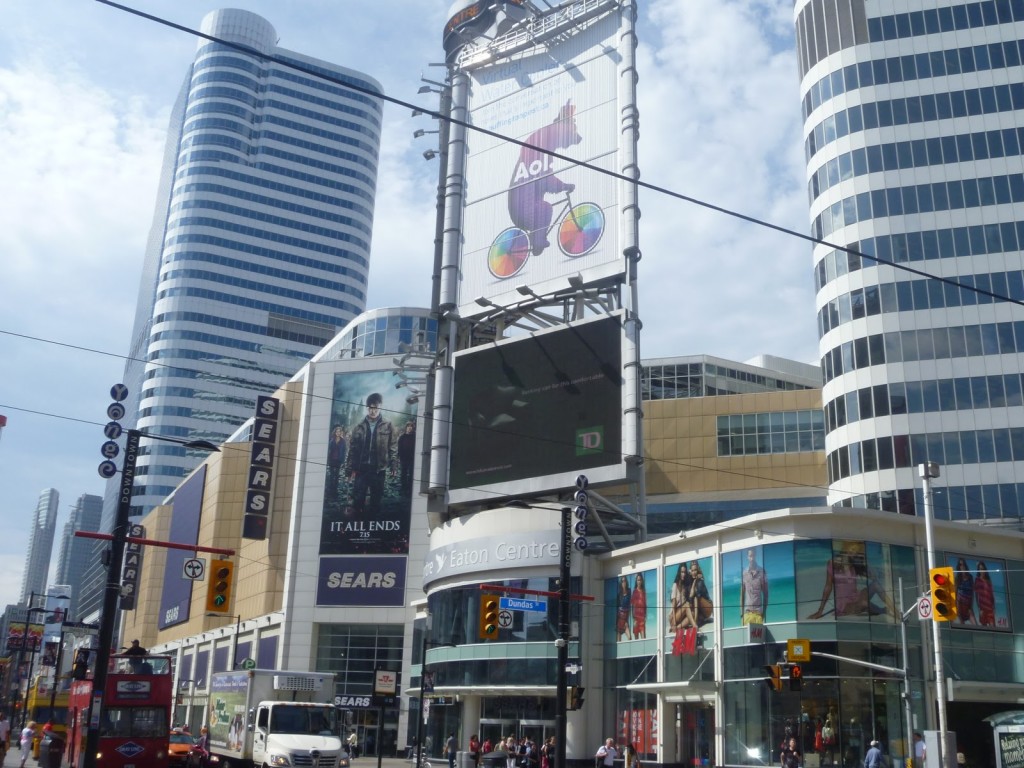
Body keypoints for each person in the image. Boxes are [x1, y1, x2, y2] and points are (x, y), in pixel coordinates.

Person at [345, 393, 398, 518]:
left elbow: (393, 447)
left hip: (379, 470)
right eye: (370, 408)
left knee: (376, 499)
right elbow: (352, 451)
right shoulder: (358, 427)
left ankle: (373, 522)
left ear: (380, 408)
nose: (373, 411)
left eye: (376, 408)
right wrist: (349, 470)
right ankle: (358, 523)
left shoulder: (388, 425)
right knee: (358, 499)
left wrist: (394, 466)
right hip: (361, 469)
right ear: (367, 408)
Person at [741, 548, 769, 624]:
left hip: (758, 614)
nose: (752, 558)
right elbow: (742, 594)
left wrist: (764, 613)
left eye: (753, 555)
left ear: (755, 556)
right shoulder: (744, 573)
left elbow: (766, 594)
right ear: (747, 557)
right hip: (747, 614)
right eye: (750, 556)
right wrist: (741, 613)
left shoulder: (762, 572)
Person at [326, 425, 348, 502]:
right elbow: (329, 451)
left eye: (339, 431)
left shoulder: (343, 441)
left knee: (336, 475)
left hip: (338, 460)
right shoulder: (332, 441)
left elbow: (344, 452)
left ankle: (335, 490)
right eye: (337, 431)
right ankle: (331, 490)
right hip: (332, 459)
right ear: (335, 432)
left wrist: (343, 461)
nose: (338, 433)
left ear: (341, 433)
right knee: (332, 475)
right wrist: (328, 459)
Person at [669, 563, 694, 630]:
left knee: (692, 614)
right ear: (679, 573)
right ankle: (695, 626)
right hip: (673, 617)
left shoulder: (685, 586)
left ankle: (678, 627)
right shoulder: (675, 585)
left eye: (685, 572)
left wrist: (694, 576)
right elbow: (673, 605)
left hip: (681, 615)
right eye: (682, 572)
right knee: (686, 605)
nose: (683, 574)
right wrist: (674, 622)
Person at [397, 421, 416, 498]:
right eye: (408, 426)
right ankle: (403, 488)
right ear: (406, 428)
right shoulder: (402, 437)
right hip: (403, 458)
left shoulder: (415, 437)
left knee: (411, 474)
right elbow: (399, 448)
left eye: (411, 426)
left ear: (413, 428)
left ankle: (410, 489)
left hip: (412, 459)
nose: (409, 428)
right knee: (403, 473)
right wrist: (399, 457)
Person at [955, 558, 976, 625]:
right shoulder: (957, 578)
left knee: (975, 625)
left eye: (963, 564)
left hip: (968, 606)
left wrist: (971, 606)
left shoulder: (970, 577)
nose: (962, 566)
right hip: (960, 605)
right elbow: (955, 593)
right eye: (960, 565)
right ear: (959, 567)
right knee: (962, 626)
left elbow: (972, 593)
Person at [975, 561, 995, 626]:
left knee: (993, 627)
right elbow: (976, 596)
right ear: (978, 570)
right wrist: (979, 609)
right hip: (982, 609)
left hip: (990, 608)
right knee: (984, 629)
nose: (982, 571)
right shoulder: (977, 580)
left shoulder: (989, 581)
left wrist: (993, 607)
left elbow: (992, 595)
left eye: (983, 569)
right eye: (980, 569)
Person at [631, 573, 648, 639]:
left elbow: (645, 605)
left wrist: (645, 616)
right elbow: (632, 605)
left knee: (644, 638)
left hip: (642, 618)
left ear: (642, 581)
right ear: (636, 581)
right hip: (636, 618)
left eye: (640, 580)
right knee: (636, 639)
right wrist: (634, 618)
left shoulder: (643, 592)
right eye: (638, 580)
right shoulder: (634, 591)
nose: (639, 581)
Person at [616, 576, 632, 641]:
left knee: (629, 637)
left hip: (625, 618)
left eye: (624, 581)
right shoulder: (619, 594)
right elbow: (617, 608)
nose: (623, 583)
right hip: (620, 618)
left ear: (626, 582)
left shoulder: (629, 591)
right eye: (622, 581)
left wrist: (626, 620)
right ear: (621, 583)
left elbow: (630, 606)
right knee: (618, 640)